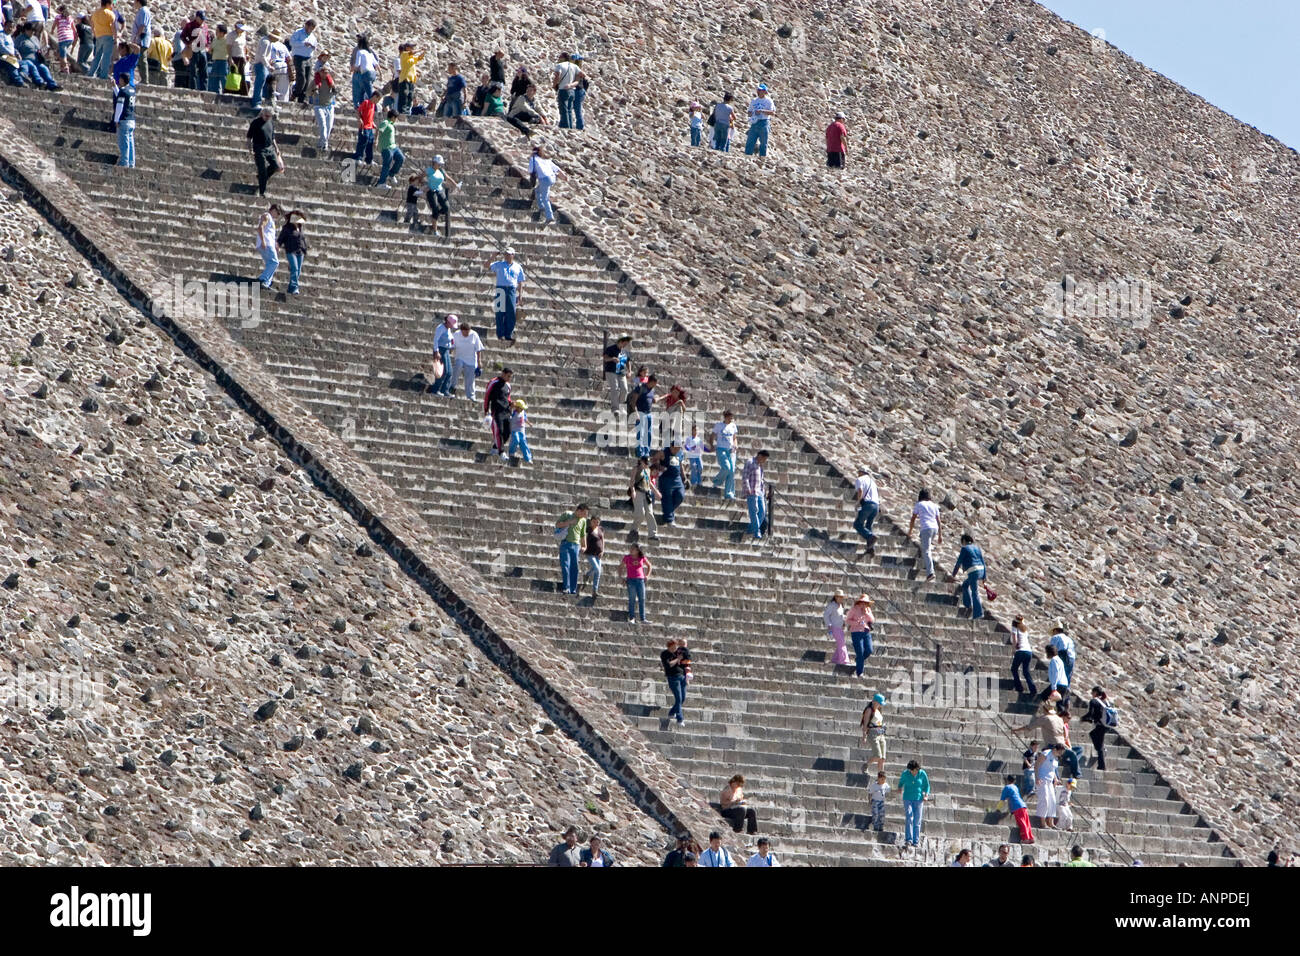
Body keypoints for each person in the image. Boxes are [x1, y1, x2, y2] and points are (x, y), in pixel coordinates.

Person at [486, 247, 526, 342]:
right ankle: (500, 334)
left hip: (511, 290)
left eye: (509, 254)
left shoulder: (517, 267)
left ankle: (509, 333)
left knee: (511, 312)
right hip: (501, 288)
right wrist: (493, 256)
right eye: (506, 254)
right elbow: (486, 265)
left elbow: (520, 282)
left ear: (513, 255)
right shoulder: (499, 264)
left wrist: (520, 295)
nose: (507, 256)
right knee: (500, 312)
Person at [907, 488, 941, 581]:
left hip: (926, 528)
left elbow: (913, 518)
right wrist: (940, 535)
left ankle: (930, 572)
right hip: (935, 529)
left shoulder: (919, 504)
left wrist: (910, 530)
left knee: (926, 550)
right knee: (925, 544)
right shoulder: (934, 505)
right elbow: (938, 520)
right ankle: (925, 563)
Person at [950, 533, 987, 619]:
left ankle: (978, 613)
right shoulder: (977, 548)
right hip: (981, 570)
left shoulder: (965, 548)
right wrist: (985, 576)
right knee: (965, 585)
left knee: (975, 592)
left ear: (964, 541)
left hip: (973, 571)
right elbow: (983, 561)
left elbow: (958, 562)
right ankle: (968, 605)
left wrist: (953, 575)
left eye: (962, 542)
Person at [554, 504, 589, 597]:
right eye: (584, 513)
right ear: (579, 510)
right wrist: (568, 523)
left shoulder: (583, 521)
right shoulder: (567, 514)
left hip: (576, 545)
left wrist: (584, 546)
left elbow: (583, 534)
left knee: (575, 567)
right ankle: (566, 587)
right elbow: (557, 525)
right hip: (565, 543)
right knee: (565, 565)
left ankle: (573, 589)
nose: (585, 515)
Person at [527, 143, 566, 225]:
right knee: (538, 190)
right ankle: (542, 207)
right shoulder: (546, 159)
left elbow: (530, 170)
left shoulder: (533, 159)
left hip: (544, 179)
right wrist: (564, 176)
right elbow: (556, 169)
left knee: (545, 197)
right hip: (552, 178)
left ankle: (549, 216)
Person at [246, 105, 279, 196]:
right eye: (266, 116)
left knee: (276, 166)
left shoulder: (271, 122)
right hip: (259, 148)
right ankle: (262, 192)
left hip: (269, 148)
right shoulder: (255, 123)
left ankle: (261, 178)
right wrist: (250, 149)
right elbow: (249, 137)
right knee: (262, 170)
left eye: (269, 116)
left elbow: (272, 137)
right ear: (262, 114)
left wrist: (277, 148)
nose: (268, 118)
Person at [423, 154, 458, 236]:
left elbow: (448, 178)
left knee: (446, 207)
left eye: (440, 164)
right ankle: (435, 230)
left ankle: (434, 217)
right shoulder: (429, 170)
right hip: (431, 191)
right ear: (434, 162)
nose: (440, 165)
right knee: (435, 208)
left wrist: (455, 184)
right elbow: (421, 177)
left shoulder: (441, 170)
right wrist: (424, 186)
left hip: (440, 190)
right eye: (438, 163)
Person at [483, 367, 513, 459]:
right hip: (497, 411)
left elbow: (508, 398)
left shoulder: (508, 385)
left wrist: (511, 403)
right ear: (503, 373)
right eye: (508, 376)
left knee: (508, 432)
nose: (509, 378)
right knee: (499, 431)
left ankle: (496, 447)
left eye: (510, 377)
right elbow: (487, 395)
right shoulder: (493, 382)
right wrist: (486, 409)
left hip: (506, 411)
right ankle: (501, 452)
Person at [898, 760, 929, 848]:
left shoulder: (922, 773)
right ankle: (908, 839)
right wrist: (899, 787)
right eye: (910, 770)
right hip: (907, 798)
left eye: (913, 770)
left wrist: (926, 795)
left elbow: (927, 786)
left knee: (917, 820)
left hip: (918, 799)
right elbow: (901, 782)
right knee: (909, 817)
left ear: (917, 769)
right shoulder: (905, 773)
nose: (911, 772)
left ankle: (916, 841)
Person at [451, 320, 484, 401]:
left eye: (468, 332)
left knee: (470, 379)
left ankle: (471, 396)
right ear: (461, 330)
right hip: (460, 357)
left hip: (471, 360)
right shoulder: (456, 334)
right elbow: (452, 345)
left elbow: (478, 349)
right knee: (457, 368)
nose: (466, 334)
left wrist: (479, 361)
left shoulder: (474, 335)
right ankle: (452, 388)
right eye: (465, 332)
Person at [629, 455, 660, 541]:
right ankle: (634, 529)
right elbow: (632, 481)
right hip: (638, 492)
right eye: (646, 463)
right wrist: (633, 491)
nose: (647, 465)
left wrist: (656, 491)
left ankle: (653, 534)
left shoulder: (648, 470)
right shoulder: (636, 469)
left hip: (647, 493)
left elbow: (649, 482)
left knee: (650, 513)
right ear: (641, 461)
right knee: (641, 513)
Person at [1080, 686, 1111, 770]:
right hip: (1107, 725)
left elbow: (1091, 713)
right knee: (1093, 734)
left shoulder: (1093, 701)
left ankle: (1102, 766)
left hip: (1100, 725)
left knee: (1099, 744)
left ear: (1096, 692)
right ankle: (1101, 750)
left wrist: (1082, 718)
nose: (1091, 694)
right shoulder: (1106, 701)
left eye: (1092, 692)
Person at [276, 209, 307, 295]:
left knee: (298, 271)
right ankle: (294, 288)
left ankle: (290, 288)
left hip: (300, 252)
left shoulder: (300, 228)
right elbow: (281, 238)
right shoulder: (287, 228)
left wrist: (305, 249)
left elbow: (302, 239)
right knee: (295, 269)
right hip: (291, 250)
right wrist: (277, 244)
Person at [661, 638, 689, 726]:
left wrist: (687, 677)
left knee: (683, 698)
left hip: (682, 677)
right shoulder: (665, 654)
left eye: (676, 647)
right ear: (669, 647)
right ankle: (680, 719)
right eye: (673, 647)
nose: (675, 649)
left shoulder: (679, 652)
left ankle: (671, 712)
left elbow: (686, 665)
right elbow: (668, 665)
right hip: (673, 678)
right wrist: (677, 659)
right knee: (678, 698)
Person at [253, 202, 281, 289]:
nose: (278, 215)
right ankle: (262, 279)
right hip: (266, 244)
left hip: (269, 244)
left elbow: (270, 233)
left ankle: (266, 283)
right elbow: (260, 227)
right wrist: (263, 241)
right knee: (274, 262)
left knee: (270, 263)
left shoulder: (271, 220)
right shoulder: (267, 216)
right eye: (278, 213)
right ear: (273, 210)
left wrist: (276, 244)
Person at [287, 17, 316, 102]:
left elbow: (315, 46)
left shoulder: (313, 36)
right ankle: (294, 94)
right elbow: (292, 42)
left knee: (307, 80)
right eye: (310, 27)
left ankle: (301, 99)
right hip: (299, 57)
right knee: (301, 78)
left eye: (312, 28)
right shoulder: (298, 33)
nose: (310, 30)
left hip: (309, 58)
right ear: (306, 25)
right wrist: (303, 44)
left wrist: (312, 46)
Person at [743, 450, 769, 540]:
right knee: (754, 511)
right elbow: (745, 476)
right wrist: (748, 488)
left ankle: (751, 529)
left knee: (762, 512)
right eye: (764, 459)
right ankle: (756, 531)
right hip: (752, 492)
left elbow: (761, 480)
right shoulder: (750, 462)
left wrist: (764, 491)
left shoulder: (760, 466)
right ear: (760, 456)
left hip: (760, 492)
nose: (764, 461)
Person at [658, 442, 687, 525]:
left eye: (678, 448)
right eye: (675, 448)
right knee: (667, 498)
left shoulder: (680, 452)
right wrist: (659, 467)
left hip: (677, 478)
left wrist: (684, 477)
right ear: (671, 446)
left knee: (680, 495)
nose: (676, 450)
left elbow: (680, 465)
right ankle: (669, 519)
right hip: (666, 478)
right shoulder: (663, 452)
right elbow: (654, 460)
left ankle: (668, 512)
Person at [311, 56, 336, 150]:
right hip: (318, 106)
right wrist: (313, 93)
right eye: (323, 72)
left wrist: (334, 91)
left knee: (329, 126)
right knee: (323, 124)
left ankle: (323, 142)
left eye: (326, 73)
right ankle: (324, 143)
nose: (325, 74)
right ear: (320, 72)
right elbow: (309, 92)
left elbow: (335, 92)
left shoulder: (331, 81)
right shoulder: (315, 81)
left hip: (329, 105)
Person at [711, 410, 738, 498]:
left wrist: (735, 445)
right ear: (726, 417)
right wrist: (711, 445)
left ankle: (729, 493)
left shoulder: (733, 425)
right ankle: (716, 481)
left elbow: (734, 438)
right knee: (726, 467)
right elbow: (712, 436)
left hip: (731, 451)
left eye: (732, 417)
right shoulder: (719, 425)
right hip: (721, 449)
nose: (731, 419)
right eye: (730, 417)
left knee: (731, 471)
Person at [622, 542, 651, 623]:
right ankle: (632, 618)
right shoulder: (627, 557)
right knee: (632, 600)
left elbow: (649, 565)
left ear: (637, 550)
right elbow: (620, 567)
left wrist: (647, 575)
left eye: (633, 548)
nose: (631, 550)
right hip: (631, 580)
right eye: (630, 548)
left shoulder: (642, 558)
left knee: (642, 599)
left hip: (640, 580)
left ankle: (643, 618)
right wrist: (621, 577)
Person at [1001, 774, 1034, 844]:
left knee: (1021, 823)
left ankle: (1025, 838)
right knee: (1027, 822)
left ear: (1007, 780)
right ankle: (1030, 837)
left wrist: (998, 809)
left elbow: (1002, 800)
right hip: (1023, 805)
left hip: (1017, 807)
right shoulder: (1015, 787)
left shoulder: (1007, 787)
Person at [744, 82, 775, 157]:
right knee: (750, 141)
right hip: (754, 123)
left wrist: (761, 111)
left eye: (760, 90)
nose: (759, 91)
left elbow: (772, 112)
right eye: (758, 90)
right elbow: (749, 111)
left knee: (763, 142)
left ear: (765, 91)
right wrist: (752, 114)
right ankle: (747, 156)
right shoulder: (754, 100)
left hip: (764, 122)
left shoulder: (768, 101)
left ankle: (762, 158)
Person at [430, 313, 457, 396]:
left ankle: (445, 390)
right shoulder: (440, 328)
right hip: (441, 350)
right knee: (442, 372)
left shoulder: (448, 329)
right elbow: (436, 340)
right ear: (447, 322)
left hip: (446, 350)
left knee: (449, 372)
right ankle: (435, 389)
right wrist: (436, 351)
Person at [110, 72, 135, 165]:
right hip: (131, 120)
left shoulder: (123, 91)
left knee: (124, 144)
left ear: (122, 80)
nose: (118, 81)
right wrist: (114, 87)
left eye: (120, 79)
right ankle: (131, 163)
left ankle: (124, 163)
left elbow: (119, 106)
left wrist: (116, 120)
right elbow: (121, 95)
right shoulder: (131, 90)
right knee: (130, 143)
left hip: (124, 120)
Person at [846, 594, 874, 677]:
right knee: (860, 652)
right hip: (856, 632)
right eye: (863, 602)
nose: (864, 604)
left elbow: (872, 620)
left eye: (866, 603)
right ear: (860, 602)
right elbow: (848, 620)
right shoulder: (854, 609)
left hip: (866, 632)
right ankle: (859, 672)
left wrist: (867, 613)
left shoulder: (868, 609)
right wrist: (856, 623)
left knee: (869, 650)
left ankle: (858, 660)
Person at [552, 51, 582, 128]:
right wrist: (573, 83)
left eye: (560, 57)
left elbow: (557, 76)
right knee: (569, 110)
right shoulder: (574, 66)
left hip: (563, 89)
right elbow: (582, 75)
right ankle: (570, 127)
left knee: (563, 109)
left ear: (563, 58)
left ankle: (566, 127)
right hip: (572, 90)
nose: (558, 59)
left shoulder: (559, 65)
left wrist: (554, 85)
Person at [630, 374, 657, 460]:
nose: (655, 385)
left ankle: (646, 452)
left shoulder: (652, 390)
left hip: (649, 413)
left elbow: (651, 400)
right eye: (654, 383)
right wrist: (636, 413)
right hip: (640, 413)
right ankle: (640, 451)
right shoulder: (640, 387)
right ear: (651, 381)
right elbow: (633, 401)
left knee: (648, 434)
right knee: (640, 433)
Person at [602, 333, 631, 413]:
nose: (626, 344)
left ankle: (621, 407)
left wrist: (629, 371)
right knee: (615, 388)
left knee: (625, 389)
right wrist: (612, 359)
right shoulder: (611, 349)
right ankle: (615, 408)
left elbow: (628, 362)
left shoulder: (625, 351)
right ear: (620, 341)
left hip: (621, 372)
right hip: (611, 371)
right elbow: (605, 358)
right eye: (625, 342)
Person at [376, 109, 404, 188]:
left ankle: (391, 174)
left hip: (394, 147)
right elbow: (379, 130)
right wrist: (376, 141)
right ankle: (381, 183)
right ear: (392, 117)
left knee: (401, 158)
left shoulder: (391, 124)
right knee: (386, 165)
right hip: (386, 148)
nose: (396, 120)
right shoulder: (385, 122)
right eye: (396, 118)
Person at [1008, 615, 1036, 695]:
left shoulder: (1014, 628)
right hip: (1028, 651)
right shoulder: (1025, 630)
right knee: (1026, 671)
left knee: (1014, 668)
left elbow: (1015, 640)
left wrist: (1013, 650)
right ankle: (1032, 689)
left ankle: (1019, 687)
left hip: (1020, 651)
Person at [1034, 743, 1059, 829]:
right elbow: (1037, 765)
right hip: (1042, 779)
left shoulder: (1056, 757)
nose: (1060, 754)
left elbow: (1053, 769)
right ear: (1055, 749)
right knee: (1044, 800)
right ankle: (1043, 822)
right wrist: (1037, 778)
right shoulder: (1046, 753)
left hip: (1050, 781)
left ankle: (1051, 822)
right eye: (1060, 752)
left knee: (1052, 801)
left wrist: (1055, 778)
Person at [852, 466, 879, 546]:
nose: (858, 474)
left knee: (857, 524)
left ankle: (871, 536)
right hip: (876, 506)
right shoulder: (872, 482)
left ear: (861, 472)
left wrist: (858, 502)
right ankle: (870, 548)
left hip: (867, 505)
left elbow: (860, 490)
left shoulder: (860, 479)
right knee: (868, 527)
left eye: (858, 472)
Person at [88, 0, 115, 79]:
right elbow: (113, 26)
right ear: (107, 4)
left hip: (99, 36)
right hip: (108, 35)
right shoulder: (110, 13)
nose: (112, 6)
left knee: (97, 55)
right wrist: (115, 37)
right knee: (106, 55)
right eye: (111, 4)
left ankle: (91, 72)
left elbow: (92, 25)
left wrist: (95, 33)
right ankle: (103, 75)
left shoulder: (95, 13)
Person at [861, 692, 887, 772]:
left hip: (881, 734)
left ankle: (880, 776)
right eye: (879, 703)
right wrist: (864, 736)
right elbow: (865, 724)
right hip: (873, 734)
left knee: (882, 758)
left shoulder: (878, 710)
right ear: (874, 702)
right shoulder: (869, 710)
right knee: (877, 756)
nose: (880, 705)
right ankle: (866, 765)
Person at [354, 88, 379, 167]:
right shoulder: (366, 102)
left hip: (370, 127)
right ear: (375, 96)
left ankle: (369, 160)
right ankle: (358, 158)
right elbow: (358, 111)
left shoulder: (373, 105)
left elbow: (370, 116)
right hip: (364, 126)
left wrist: (373, 123)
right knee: (362, 141)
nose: (378, 101)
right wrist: (359, 120)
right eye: (378, 99)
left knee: (370, 143)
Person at [396, 41, 423, 114]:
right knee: (404, 95)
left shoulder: (411, 57)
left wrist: (423, 52)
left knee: (410, 96)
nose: (412, 48)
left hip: (411, 79)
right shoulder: (404, 54)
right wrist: (419, 50)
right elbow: (412, 53)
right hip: (405, 78)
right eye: (411, 47)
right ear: (407, 48)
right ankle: (402, 111)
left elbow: (419, 58)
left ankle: (407, 111)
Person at [824, 588, 848, 667]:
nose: (841, 599)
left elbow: (840, 616)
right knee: (842, 643)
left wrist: (846, 618)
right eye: (840, 597)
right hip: (834, 627)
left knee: (840, 643)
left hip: (840, 628)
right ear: (836, 597)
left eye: (842, 597)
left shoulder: (840, 606)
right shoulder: (832, 605)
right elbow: (826, 615)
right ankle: (844, 660)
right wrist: (829, 625)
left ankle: (835, 659)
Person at [349, 34, 375, 108]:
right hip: (356, 73)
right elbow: (352, 59)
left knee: (364, 91)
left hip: (362, 73)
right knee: (355, 90)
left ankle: (367, 107)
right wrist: (352, 67)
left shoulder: (368, 51)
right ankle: (357, 106)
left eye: (359, 39)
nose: (358, 40)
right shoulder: (355, 49)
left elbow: (375, 60)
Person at [579, 513, 602, 597]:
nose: (595, 523)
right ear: (591, 522)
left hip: (598, 553)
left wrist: (602, 551)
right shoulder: (587, 529)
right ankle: (588, 574)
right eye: (594, 521)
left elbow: (603, 540)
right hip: (590, 553)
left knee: (598, 572)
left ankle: (594, 591)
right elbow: (582, 538)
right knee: (597, 569)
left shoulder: (601, 529)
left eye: (597, 522)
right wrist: (582, 546)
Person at [1049, 620, 1077, 686]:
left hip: (1062, 655)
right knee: (1067, 677)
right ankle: (1066, 693)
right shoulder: (1069, 639)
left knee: (1059, 675)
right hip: (1071, 658)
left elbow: (1052, 649)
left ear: (1055, 630)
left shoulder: (1056, 637)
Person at [129, 0, 149, 82]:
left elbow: (143, 25)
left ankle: (145, 80)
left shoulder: (143, 11)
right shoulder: (142, 11)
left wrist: (136, 37)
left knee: (142, 59)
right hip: (140, 39)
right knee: (139, 60)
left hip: (141, 39)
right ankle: (143, 79)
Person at [205, 22, 228, 93]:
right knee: (213, 79)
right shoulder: (214, 40)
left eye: (217, 31)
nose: (216, 32)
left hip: (223, 62)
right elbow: (210, 50)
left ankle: (226, 94)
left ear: (222, 33)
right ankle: (214, 94)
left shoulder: (227, 41)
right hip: (215, 62)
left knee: (224, 79)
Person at [508, 399, 532, 463]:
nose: (522, 409)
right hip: (514, 430)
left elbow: (525, 419)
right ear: (517, 408)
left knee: (524, 444)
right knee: (516, 440)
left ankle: (528, 458)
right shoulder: (514, 412)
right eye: (521, 408)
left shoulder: (523, 412)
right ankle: (511, 452)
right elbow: (509, 413)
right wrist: (512, 406)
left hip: (522, 431)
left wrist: (529, 423)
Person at [227, 22, 247, 94]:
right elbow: (228, 47)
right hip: (234, 57)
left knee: (242, 76)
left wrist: (244, 56)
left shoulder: (243, 35)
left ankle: (243, 93)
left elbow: (243, 47)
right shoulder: (231, 35)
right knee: (234, 76)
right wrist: (230, 58)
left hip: (241, 57)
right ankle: (231, 91)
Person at [571, 53, 588, 129]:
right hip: (579, 91)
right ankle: (579, 126)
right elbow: (586, 82)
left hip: (577, 91)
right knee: (576, 110)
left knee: (573, 109)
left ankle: (576, 126)